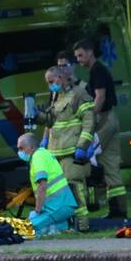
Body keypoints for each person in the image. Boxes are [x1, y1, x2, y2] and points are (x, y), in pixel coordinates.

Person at [74, 39, 127, 218]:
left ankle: (91, 203)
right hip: (111, 118)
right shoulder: (98, 70)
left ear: (90, 52)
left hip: (103, 118)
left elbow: (100, 98)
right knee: (110, 163)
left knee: (88, 158)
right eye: (77, 56)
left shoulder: (97, 70)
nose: (79, 59)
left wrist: (90, 118)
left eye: (81, 55)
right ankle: (118, 210)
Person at [38, 66, 94, 231]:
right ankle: (68, 224)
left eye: (52, 81)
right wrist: (37, 116)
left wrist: (83, 145)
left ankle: (83, 225)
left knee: (75, 187)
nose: (50, 86)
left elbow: (89, 121)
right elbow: (52, 121)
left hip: (71, 150)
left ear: (62, 78)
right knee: (61, 191)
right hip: (56, 152)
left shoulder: (79, 94)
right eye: (48, 83)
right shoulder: (57, 96)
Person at [16, 133, 78, 237]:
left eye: (21, 148)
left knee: (26, 228)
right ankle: (62, 226)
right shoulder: (44, 153)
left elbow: (42, 186)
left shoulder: (37, 158)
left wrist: (38, 210)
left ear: (31, 148)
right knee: (36, 221)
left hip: (57, 207)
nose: (19, 152)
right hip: (63, 205)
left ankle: (56, 226)